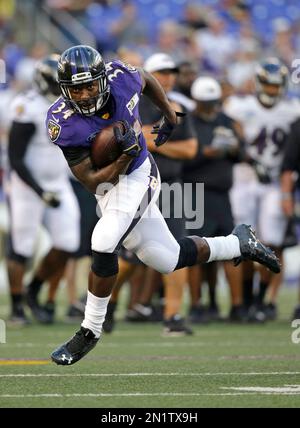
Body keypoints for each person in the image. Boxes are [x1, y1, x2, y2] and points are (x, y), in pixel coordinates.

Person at [47, 45, 280, 366]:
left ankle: (90, 330)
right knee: (167, 259)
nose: (85, 95)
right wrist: (123, 153)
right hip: (107, 184)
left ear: (103, 79)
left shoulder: (121, 78)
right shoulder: (63, 121)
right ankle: (238, 243)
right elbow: (90, 180)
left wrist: (169, 114)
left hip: (140, 173)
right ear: (64, 90)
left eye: (90, 86)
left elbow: (145, 78)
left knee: (102, 241)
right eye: (77, 89)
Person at [6, 54, 80, 325]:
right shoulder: (27, 107)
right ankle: (15, 306)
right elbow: (16, 159)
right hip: (27, 186)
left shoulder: (68, 105)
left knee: (67, 244)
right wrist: (39, 191)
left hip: (58, 183)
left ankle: (33, 290)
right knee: (22, 246)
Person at [225, 58, 300, 319]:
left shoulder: (292, 109)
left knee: (272, 241)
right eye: (267, 85)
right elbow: (230, 130)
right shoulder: (239, 106)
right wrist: (244, 154)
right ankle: (245, 300)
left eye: (275, 86)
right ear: (258, 83)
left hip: (274, 182)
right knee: (241, 240)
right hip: (244, 178)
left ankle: (261, 299)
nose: (270, 91)